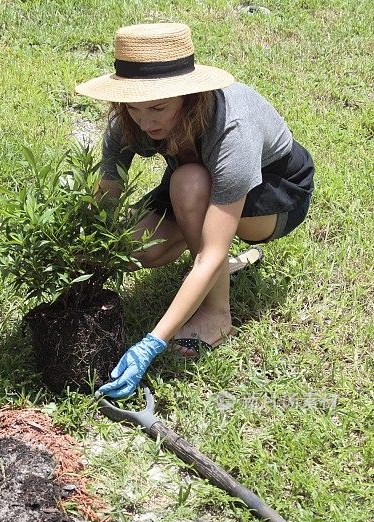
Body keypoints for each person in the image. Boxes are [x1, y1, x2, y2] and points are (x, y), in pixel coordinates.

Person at [75, 22, 314, 399]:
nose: (146, 121)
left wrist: (152, 342)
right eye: (135, 107)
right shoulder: (128, 119)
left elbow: (212, 251)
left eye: (158, 107)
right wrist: (78, 262)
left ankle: (217, 316)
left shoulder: (232, 128)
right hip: (194, 184)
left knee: (190, 185)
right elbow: (106, 196)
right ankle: (213, 268)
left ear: (190, 96)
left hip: (272, 195)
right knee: (138, 247)